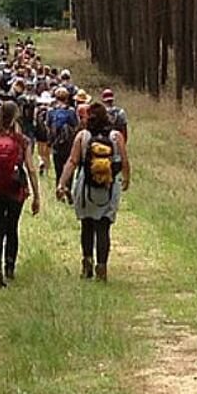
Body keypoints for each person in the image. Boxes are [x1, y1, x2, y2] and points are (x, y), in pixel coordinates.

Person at [57, 102, 130, 282]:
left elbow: (72, 161)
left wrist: (62, 183)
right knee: (103, 227)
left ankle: (87, 264)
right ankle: (102, 268)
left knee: (87, 225)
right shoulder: (116, 136)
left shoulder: (82, 136)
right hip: (108, 187)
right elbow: (124, 161)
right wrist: (126, 178)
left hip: (85, 187)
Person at [0, 101, 41, 287]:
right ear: (15, 117)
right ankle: (10, 267)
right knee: (12, 228)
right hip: (15, 189)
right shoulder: (22, 141)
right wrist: (36, 195)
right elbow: (31, 169)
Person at [46, 87, 80, 184]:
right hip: (69, 145)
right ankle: (68, 187)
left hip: (56, 144)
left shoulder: (51, 111)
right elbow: (76, 126)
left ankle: (59, 187)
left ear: (56, 98)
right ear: (67, 98)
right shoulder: (71, 111)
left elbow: (48, 126)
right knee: (69, 168)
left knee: (58, 170)